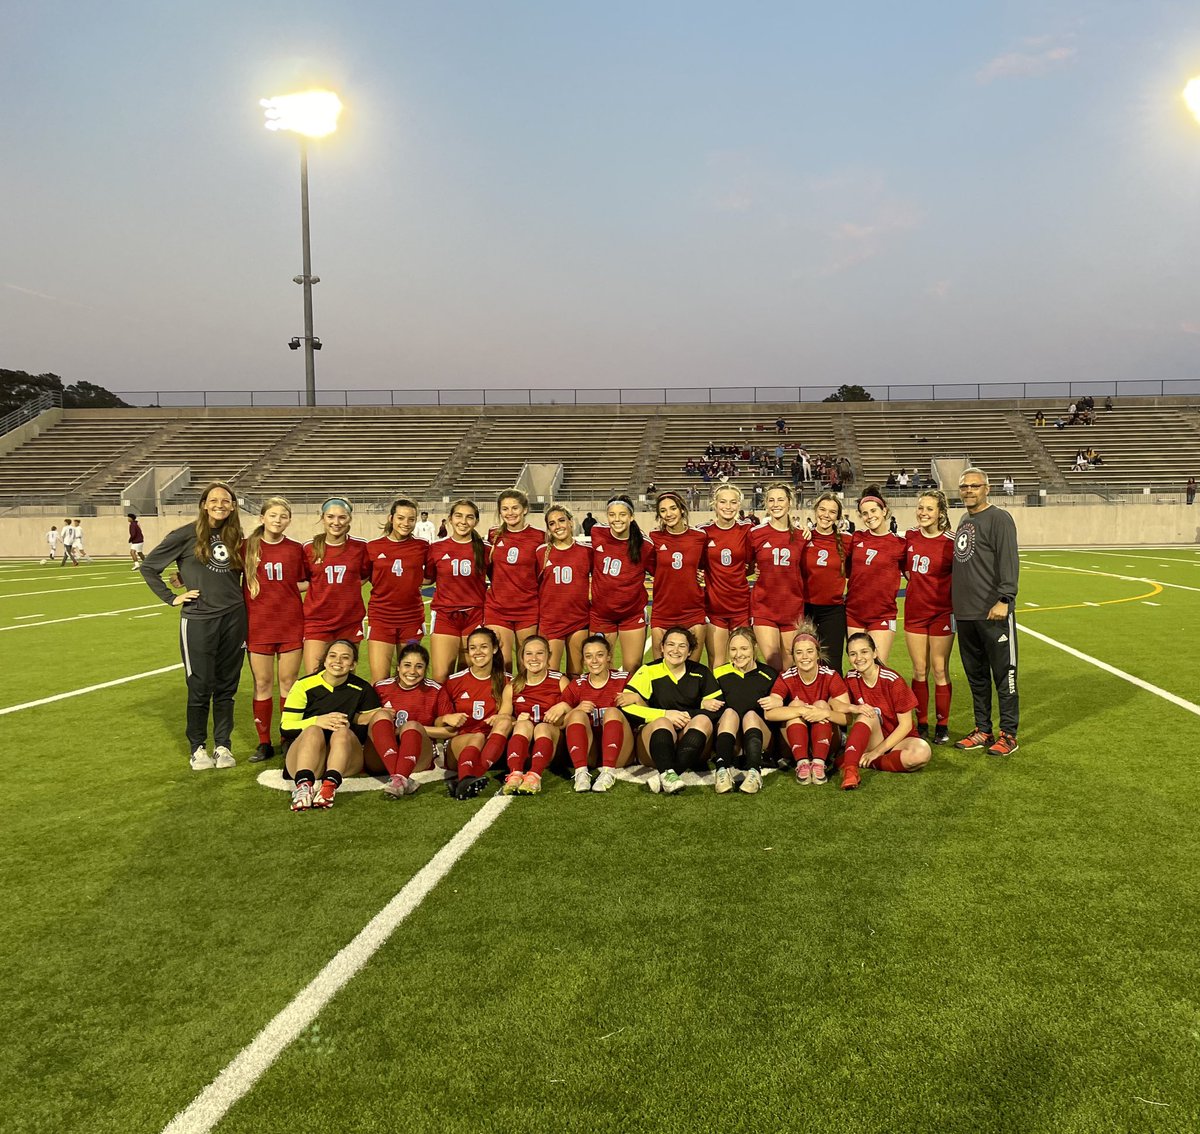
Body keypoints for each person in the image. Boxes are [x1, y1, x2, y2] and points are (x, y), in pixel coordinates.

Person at [139, 481, 247, 770]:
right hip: (199, 619)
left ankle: (223, 746)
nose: (220, 505)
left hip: (235, 618)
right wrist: (172, 598)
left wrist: (186, 576)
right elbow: (149, 567)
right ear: (203, 504)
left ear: (234, 506)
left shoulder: (236, 535)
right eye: (214, 500)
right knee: (200, 686)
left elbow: (226, 575)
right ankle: (198, 747)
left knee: (226, 686)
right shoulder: (185, 534)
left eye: (226, 500)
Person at [282, 639, 396, 811]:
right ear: (325, 660)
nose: (338, 661)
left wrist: (375, 715)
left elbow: (372, 728)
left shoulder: (362, 689)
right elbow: (286, 727)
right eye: (333, 656)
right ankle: (303, 788)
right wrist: (317, 720)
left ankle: (329, 788)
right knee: (313, 730)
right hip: (306, 758)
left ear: (353, 664)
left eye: (345, 658)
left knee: (342, 730)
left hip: (345, 760)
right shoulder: (303, 685)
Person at [952, 468, 1020, 756]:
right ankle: (983, 729)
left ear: (987, 489)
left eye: (974, 486)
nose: (969, 490)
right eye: (964, 486)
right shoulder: (964, 518)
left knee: (1004, 675)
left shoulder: (999, 518)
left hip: (993, 612)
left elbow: (1008, 559)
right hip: (966, 614)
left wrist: (1005, 598)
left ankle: (1008, 733)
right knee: (976, 676)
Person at [618, 626, 722, 795]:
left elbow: (719, 707)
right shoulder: (648, 671)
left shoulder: (700, 672)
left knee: (702, 720)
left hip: (692, 745)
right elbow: (625, 706)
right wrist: (665, 714)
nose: (675, 650)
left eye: (682, 646)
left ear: (689, 651)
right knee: (663, 722)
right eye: (671, 644)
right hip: (654, 745)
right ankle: (669, 772)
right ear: (662, 647)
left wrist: (689, 714)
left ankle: (666, 775)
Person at [243, 496, 307, 762]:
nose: (278, 520)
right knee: (262, 683)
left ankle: (287, 736)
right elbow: (222, 574)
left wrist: (288, 590)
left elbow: (306, 582)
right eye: (273, 515)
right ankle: (264, 742)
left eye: (283, 516)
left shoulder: (295, 549)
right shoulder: (246, 547)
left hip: (291, 623)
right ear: (262, 518)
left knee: (289, 684)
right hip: (258, 625)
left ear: (289, 520)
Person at [832, 632, 931, 790]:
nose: (859, 658)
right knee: (867, 714)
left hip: (898, 740)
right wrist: (854, 707)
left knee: (922, 753)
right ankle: (850, 771)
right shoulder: (851, 677)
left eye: (864, 652)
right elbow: (834, 702)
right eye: (853, 654)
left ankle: (864, 760)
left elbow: (905, 726)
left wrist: (877, 752)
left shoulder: (892, 680)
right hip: (874, 737)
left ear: (874, 653)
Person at [765, 622, 849, 786]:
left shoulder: (830, 676)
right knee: (795, 705)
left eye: (810, 651)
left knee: (821, 704)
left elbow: (847, 718)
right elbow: (769, 713)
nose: (804, 657)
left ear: (818, 655)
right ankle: (802, 763)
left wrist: (824, 713)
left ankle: (818, 763)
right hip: (796, 739)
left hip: (828, 739)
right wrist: (803, 710)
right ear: (794, 656)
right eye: (799, 652)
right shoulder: (786, 676)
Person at [903, 490, 956, 746]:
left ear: (940, 513)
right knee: (919, 669)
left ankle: (942, 724)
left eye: (929, 509)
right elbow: (905, 570)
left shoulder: (951, 541)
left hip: (942, 613)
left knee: (939, 669)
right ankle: (921, 721)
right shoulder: (910, 536)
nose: (923, 512)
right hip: (915, 612)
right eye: (920, 507)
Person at [437, 626, 513, 799]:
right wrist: (447, 718)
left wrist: (505, 718)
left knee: (505, 721)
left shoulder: (508, 681)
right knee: (477, 736)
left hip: (494, 746)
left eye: (484, 647)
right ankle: (466, 776)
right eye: (472, 648)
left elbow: (516, 718)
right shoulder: (454, 682)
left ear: (494, 649)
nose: (478, 652)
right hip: (460, 745)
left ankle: (465, 779)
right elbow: (438, 722)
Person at [374, 643, 455, 797]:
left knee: (411, 726)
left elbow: (449, 732)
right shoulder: (380, 687)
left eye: (419, 666)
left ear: (425, 669)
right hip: (381, 755)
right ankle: (401, 778)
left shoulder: (436, 690)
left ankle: (399, 777)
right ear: (398, 667)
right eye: (407, 665)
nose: (412, 671)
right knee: (379, 715)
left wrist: (411, 729)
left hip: (417, 756)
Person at [301, 498, 371, 676]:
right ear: (322, 517)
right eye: (331, 516)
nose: (336, 522)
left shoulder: (361, 547)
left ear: (349, 519)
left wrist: (348, 586)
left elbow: (364, 576)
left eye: (342, 517)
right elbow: (304, 580)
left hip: (349, 621)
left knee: (346, 680)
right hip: (317, 622)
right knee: (314, 679)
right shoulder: (309, 549)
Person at [366, 496, 431, 683]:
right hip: (381, 618)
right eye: (401, 518)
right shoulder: (373, 547)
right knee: (380, 679)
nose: (406, 523)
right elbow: (363, 576)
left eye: (411, 519)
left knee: (410, 675)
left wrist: (413, 580)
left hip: (411, 618)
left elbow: (431, 575)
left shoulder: (422, 547)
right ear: (391, 518)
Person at [559, 634, 634, 793]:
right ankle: (581, 773)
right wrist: (576, 710)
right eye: (589, 656)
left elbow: (643, 711)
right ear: (584, 660)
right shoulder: (577, 684)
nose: (594, 661)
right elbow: (561, 724)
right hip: (590, 752)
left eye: (600, 655)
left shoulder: (624, 679)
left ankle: (608, 772)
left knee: (612, 712)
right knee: (577, 714)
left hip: (621, 751)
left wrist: (636, 699)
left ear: (609, 657)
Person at [589, 495, 654, 675]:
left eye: (622, 514)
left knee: (632, 669)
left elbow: (661, 571)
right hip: (601, 615)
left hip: (631, 614)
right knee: (599, 669)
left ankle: (630, 704)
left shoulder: (644, 545)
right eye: (612, 514)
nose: (617, 519)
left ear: (631, 517)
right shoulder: (597, 532)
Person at [428, 499, 489, 683]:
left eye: (469, 517)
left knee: (469, 676)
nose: (463, 521)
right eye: (459, 516)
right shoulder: (436, 548)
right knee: (441, 676)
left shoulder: (486, 550)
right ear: (450, 519)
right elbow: (426, 579)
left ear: (476, 521)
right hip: (446, 615)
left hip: (475, 615)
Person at [710, 627, 777, 794]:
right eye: (733, 649)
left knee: (751, 715)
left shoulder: (769, 674)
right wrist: (705, 702)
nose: (738, 654)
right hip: (731, 739)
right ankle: (722, 770)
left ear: (754, 647)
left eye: (744, 648)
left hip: (759, 738)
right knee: (729, 712)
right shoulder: (719, 674)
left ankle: (754, 772)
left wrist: (776, 701)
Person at [749, 483, 806, 671]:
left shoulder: (802, 536)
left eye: (781, 499)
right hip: (764, 606)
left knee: (791, 668)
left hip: (792, 607)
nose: (776, 504)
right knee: (773, 664)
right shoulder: (756, 534)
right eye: (771, 500)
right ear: (766, 503)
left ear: (790, 503)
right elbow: (742, 564)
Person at [501, 635, 569, 795]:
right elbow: (503, 720)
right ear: (522, 657)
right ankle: (515, 774)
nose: (534, 658)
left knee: (543, 727)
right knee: (523, 724)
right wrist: (515, 721)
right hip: (523, 749)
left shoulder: (560, 681)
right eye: (529, 654)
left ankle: (535, 776)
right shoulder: (513, 686)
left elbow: (574, 718)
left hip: (552, 748)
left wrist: (564, 708)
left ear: (549, 656)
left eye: (540, 653)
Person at [845, 486, 905, 663]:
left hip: (882, 615)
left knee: (877, 668)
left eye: (873, 511)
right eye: (864, 513)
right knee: (858, 667)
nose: (869, 516)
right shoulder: (856, 539)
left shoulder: (900, 544)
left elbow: (914, 574)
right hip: (854, 613)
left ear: (884, 510)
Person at [485, 489, 544, 668]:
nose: (510, 513)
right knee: (501, 664)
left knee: (526, 665)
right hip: (497, 608)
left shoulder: (540, 537)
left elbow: (541, 574)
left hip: (527, 608)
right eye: (505, 509)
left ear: (525, 509)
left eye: (515, 508)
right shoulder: (494, 535)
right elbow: (490, 569)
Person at [649, 491, 707, 660]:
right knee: (660, 671)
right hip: (663, 610)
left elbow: (708, 565)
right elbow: (649, 567)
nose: (669, 514)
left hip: (693, 609)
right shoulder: (654, 538)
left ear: (682, 509)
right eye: (663, 510)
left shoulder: (699, 536)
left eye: (673, 508)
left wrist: (702, 574)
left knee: (691, 671)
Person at [700, 484, 753, 667]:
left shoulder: (747, 530)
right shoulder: (703, 532)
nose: (728, 507)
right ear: (714, 504)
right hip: (714, 606)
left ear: (739, 505)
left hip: (741, 606)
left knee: (743, 661)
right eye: (723, 502)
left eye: (733, 502)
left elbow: (756, 559)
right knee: (717, 663)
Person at [538, 505, 592, 676]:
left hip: (579, 620)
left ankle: (572, 703)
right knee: (549, 674)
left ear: (570, 522)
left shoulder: (586, 551)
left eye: (561, 521)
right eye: (552, 523)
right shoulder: (540, 553)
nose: (558, 526)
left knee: (575, 674)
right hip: (551, 620)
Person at [800, 492, 852, 671]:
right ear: (815, 511)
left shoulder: (846, 541)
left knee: (832, 663)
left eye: (832, 512)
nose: (826, 515)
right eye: (822, 509)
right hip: (805, 609)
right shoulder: (803, 537)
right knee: (804, 662)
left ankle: (834, 699)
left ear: (837, 517)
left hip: (833, 610)